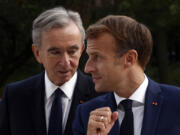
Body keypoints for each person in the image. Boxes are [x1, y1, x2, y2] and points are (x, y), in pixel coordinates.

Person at [72, 15, 180, 135]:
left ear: (129, 59)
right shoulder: (86, 114)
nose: (87, 68)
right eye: (89, 57)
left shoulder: (176, 103)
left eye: (97, 57)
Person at [0, 7, 98, 135]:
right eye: (55, 52)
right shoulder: (15, 96)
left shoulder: (103, 96)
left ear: (82, 49)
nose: (65, 62)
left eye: (72, 51)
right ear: (37, 53)